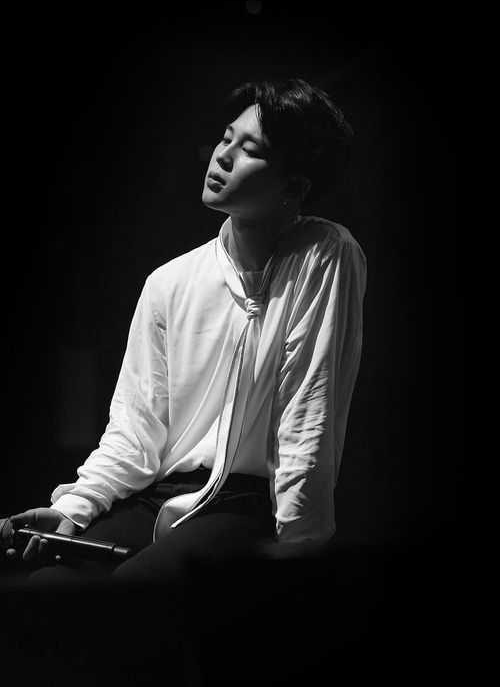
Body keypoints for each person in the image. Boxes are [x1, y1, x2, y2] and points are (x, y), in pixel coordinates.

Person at [4, 78, 367, 587]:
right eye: (226, 138)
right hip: (158, 493)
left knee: (134, 593)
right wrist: (75, 506)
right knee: (46, 589)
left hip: (247, 502)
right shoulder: (169, 282)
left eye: (250, 150)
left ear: (294, 186)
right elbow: (135, 430)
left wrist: (299, 550)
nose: (223, 156)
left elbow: (309, 415)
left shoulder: (324, 254)